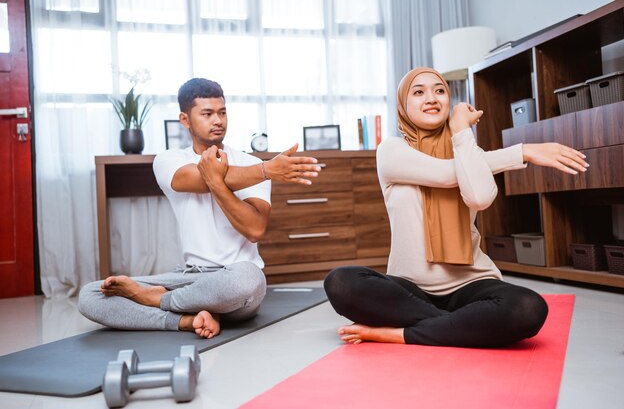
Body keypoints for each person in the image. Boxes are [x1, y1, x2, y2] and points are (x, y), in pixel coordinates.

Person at [323, 67, 588, 348]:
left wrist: (461, 132)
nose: (431, 98)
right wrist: (520, 152)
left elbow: (480, 199)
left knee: (528, 307)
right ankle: (461, 324)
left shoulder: (467, 152)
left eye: (439, 91)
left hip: (471, 284)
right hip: (409, 289)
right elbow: (447, 175)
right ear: (403, 103)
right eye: (419, 91)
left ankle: (400, 333)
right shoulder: (390, 150)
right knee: (341, 282)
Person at [79, 78, 321, 339]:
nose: (218, 120)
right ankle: (187, 319)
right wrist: (265, 170)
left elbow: (254, 230)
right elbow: (193, 179)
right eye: (207, 113)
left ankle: (162, 301)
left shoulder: (248, 162)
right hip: (190, 278)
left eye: (222, 112)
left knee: (249, 278)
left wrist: (220, 181)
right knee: (91, 295)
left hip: (234, 279)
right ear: (185, 119)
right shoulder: (170, 160)